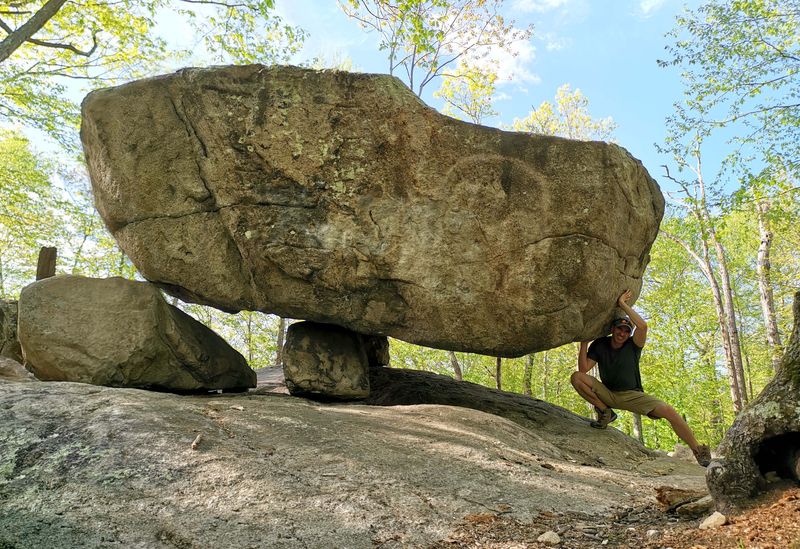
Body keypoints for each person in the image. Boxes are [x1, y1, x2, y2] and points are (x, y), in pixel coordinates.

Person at [570, 290, 711, 467]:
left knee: (669, 411)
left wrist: (622, 304)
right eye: (619, 329)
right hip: (608, 393)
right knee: (577, 377)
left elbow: (643, 327)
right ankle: (605, 412)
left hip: (632, 396)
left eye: (626, 331)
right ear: (612, 329)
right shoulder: (600, 344)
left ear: (629, 334)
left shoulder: (633, 345)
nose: (622, 333)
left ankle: (698, 451)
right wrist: (584, 342)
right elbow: (583, 369)